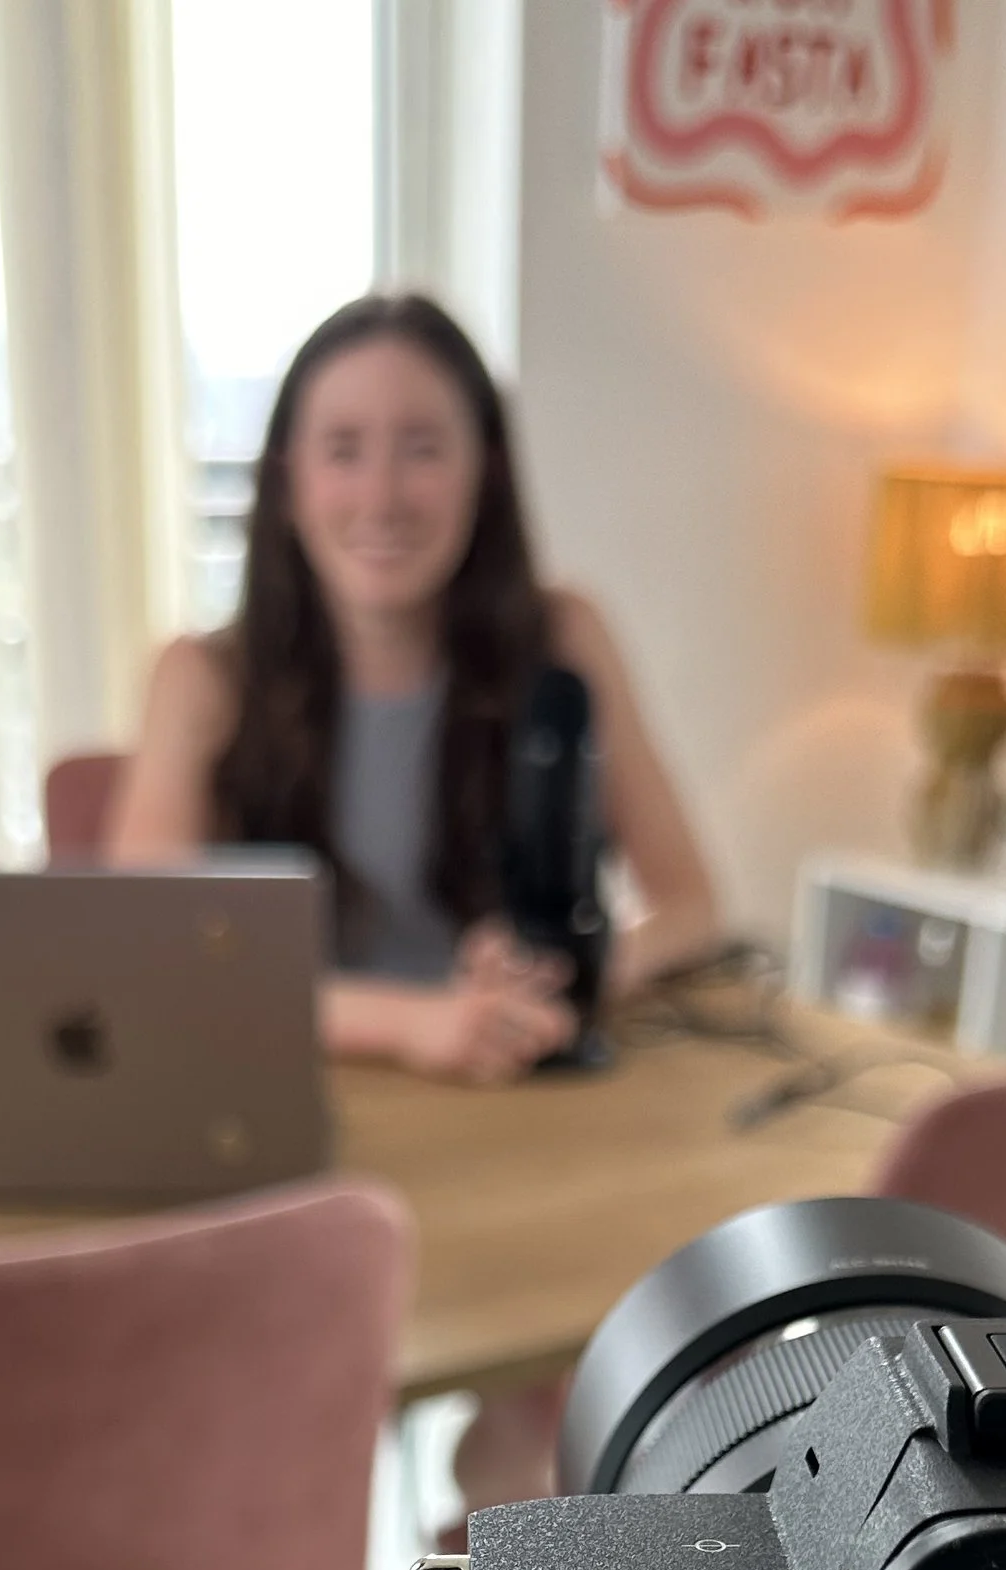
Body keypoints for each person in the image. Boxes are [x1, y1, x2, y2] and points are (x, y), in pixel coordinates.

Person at [109, 290, 719, 1087]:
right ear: (290, 483)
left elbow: (691, 904)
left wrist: (578, 969)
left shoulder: (566, 635)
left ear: (485, 472)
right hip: (302, 1103)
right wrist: (412, 1023)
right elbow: (152, 957)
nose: (382, 497)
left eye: (423, 448)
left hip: (523, 1099)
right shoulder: (199, 677)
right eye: (343, 450)